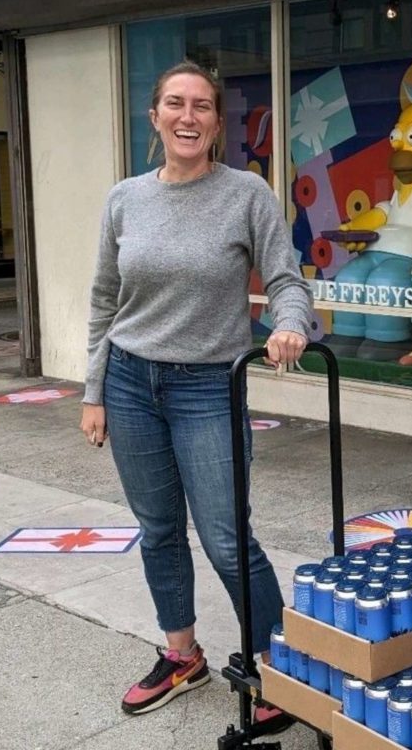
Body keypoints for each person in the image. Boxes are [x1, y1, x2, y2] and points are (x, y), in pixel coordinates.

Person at [79, 61, 312, 717]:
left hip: (207, 386)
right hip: (128, 381)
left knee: (227, 537)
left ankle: (278, 667)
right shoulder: (125, 198)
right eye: (175, 103)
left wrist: (289, 325)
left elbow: (287, 281)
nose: (188, 116)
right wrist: (93, 390)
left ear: (217, 121)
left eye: (202, 106)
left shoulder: (245, 194)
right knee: (158, 530)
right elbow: (104, 301)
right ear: (154, 116)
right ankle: (182, 655)